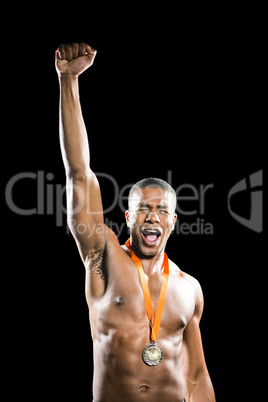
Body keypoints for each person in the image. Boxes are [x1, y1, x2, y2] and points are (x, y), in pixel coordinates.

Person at [55, 42, 216, 402]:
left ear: (173, 222)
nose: (152, 216)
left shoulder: (191, 289)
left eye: (161, 210)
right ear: (128, 218)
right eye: (143, 208)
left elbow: (196, 374)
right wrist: (69, 82)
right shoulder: (104, 257)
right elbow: (79, 174)